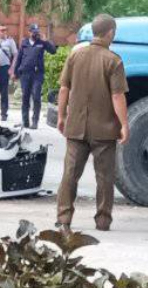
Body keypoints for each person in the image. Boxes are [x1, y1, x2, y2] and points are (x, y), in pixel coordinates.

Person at [55, 14, 130, 233]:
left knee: (70, 174)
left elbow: (64, 88)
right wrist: (124, 124)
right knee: (104, 176)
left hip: (76, 126)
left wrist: (61, 116)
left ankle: (63, 218)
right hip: (104, 129)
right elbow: (117, 96)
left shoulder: (75, 56)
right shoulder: (113, 60)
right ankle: (103, 220)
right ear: (110, 33)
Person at [14, 23, 57, 129]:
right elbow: (19, 58)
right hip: (25, 74)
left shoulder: (41, 43)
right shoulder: (24, 43)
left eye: (37, 32)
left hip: (37, 74)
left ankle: (35, 121)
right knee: (25, 98)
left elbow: (53, 51)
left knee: (36, 96)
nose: (35, 34)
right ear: (29, 32)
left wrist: (46, 40)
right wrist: (15, 73)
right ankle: (25, 121)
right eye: (33, 32)